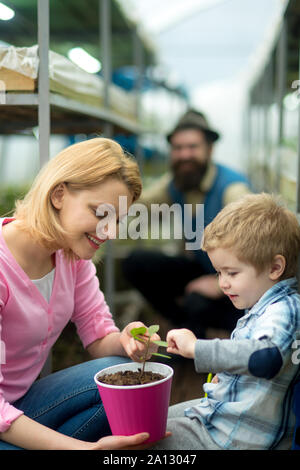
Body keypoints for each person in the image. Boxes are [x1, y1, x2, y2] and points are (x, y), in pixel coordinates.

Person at [0, 137, 161, 451]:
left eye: (117, 220)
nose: (110, 232)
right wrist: (83, 448)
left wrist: (128, 339)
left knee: (121, 380)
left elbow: (99, 336)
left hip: (21, 404)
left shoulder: (71, 257)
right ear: (59, 194)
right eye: (101, 214)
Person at [151, 193, 300, 450]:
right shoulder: (264, 306)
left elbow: (268, 357)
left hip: (233, 437)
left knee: (142, 439)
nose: (223, 283)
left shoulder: (285, 310)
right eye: (219, 272)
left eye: (232, 273)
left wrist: (197, 348)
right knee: (151, 422)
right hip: (224, 418)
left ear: (275, 268)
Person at [122, 109, 252, 338]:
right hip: (203, 267)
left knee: (197, 302)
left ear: (210, 149)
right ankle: (185, 330)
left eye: (192, 147)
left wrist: (218, 282)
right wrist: (102, 201)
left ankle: (212, 339)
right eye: (178, 148)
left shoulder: (232, 189)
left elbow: (258, 247)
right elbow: (140, 203)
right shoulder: (176, 183)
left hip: (238, 281)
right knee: (136, 263)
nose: (184, 155)